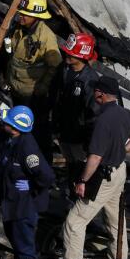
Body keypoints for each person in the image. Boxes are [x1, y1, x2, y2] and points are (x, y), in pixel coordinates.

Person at [59, 77, 130, 259]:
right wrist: (126, 149)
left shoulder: (102, 121)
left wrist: (83, 180)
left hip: (103, 176)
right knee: (115, 220)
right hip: (119, 172)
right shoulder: (124, 113)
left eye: (95, 91)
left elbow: (95, 157)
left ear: (100, 94)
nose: (94, 94)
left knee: (74, 223)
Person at [0, 104, 55, 259]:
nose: (3, 123)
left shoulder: (27, 146)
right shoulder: (11, 141)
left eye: (7, 121)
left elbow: (47, 176)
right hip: (11, 203)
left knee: (25, 248)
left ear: (15, 126)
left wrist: (32, 184)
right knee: (17, 243)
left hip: (24, 206)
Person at [5, 0, 62, 159]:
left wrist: (43, 86)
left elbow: (55, 65)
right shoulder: (20, 29)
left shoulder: (46, 37)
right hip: (18, 88)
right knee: (18, 127)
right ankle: (19, 155)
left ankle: (41, 161)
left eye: (25, 14)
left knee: (37, 131)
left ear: (36, 16)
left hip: (33, 94)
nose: (21, 16)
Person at [51, 33, 101, 171]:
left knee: (80, 168)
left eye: (71, 53)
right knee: (70, 166)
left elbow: (93, 114)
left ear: (82, 56)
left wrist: (88, 142)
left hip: (79, 139)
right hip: (64, 132)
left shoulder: (90, 81)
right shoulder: (64, 69)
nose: (67, 55)